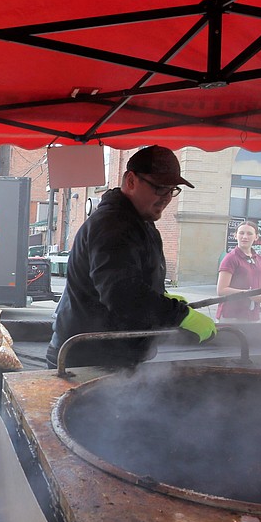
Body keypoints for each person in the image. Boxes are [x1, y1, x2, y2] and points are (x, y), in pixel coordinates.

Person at [46, 146, 216, 369]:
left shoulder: (139, 222)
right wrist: (180, 315)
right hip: (87, 361)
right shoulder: (113, 225)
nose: (166, 198)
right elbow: (123, 294)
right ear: (131, 181)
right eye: (159, 188)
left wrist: (162, 296)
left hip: (114, 354)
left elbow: (130, 279)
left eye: (171, 190)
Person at [216, 221, 261, 321]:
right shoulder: (230, 258)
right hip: (232, 315)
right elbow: (221, 290)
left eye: (249, 234)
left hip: (253, 315)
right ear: (235, 236)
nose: (245, 237)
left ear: (256, 237)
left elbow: (260, 289)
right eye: (241, 233)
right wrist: (249, 294)